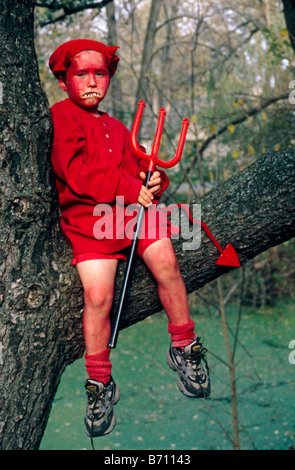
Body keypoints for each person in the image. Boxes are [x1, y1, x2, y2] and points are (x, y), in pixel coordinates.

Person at [49, 39, 210, 439]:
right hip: (90, 220)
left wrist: (154, 180)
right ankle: (100, 383)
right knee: (99, 297)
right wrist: (126, 187)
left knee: (168, 264)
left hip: (134, 215)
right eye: (81, 74)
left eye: (99, 74)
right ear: (64, 80)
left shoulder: (120, 129)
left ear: (109, 78)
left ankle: (184, 346)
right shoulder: (61, 117)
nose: (91, 81)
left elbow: (143, 172)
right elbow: (75, 173)